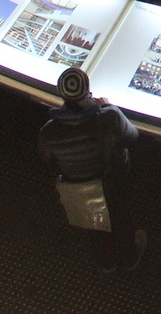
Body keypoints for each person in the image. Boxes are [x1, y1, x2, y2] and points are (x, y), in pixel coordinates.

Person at [40, 67, 146, 272]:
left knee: (92, 224)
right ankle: (129, 257)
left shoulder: (49, 131)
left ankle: (105, 261)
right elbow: (131, 137)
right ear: (87, 90)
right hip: (111, 181)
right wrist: (109, 106)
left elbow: (48, 158)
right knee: (120, 216)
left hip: (77, 185)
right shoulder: (109, 117)